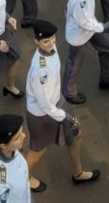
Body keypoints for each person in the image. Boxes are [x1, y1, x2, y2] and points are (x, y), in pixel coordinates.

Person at [24, 20, 100, 189]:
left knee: (75, 135)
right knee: (37, 151)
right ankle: (25, 178)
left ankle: (78, 173)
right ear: (36, 42)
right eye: (45, 41)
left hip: (58, 103)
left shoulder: (52, 48)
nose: (51, 43)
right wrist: (66, 117)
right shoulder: (40, 70)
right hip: (42, 114)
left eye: (53, 38)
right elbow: (45, 104)